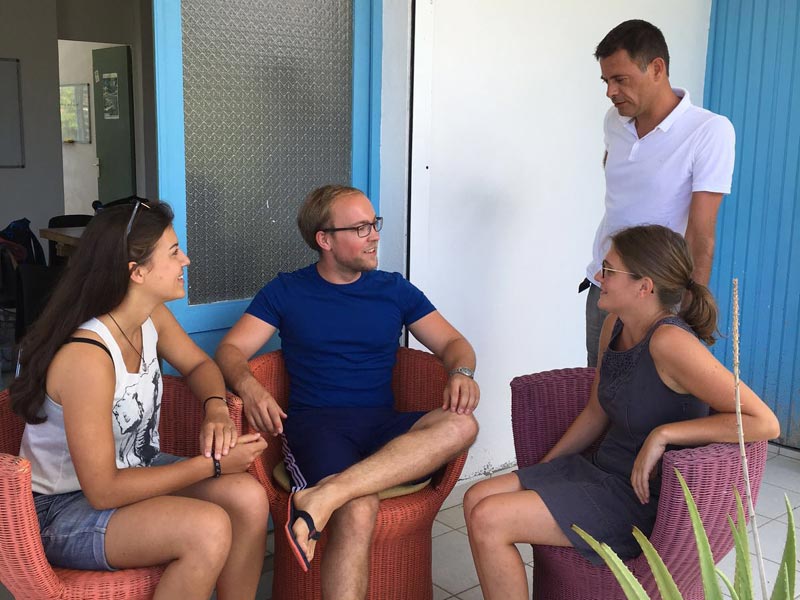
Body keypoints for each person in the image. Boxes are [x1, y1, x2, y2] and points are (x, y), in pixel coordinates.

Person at [465, 224, 779, 600]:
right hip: (602, 469)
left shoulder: (670, 343)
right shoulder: (616, 323)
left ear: (644, 287)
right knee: (474, 498)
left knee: (489, 519)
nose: (598, 277)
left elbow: (764, 422)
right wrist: (544, 471)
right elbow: (597, 410)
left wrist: (664, 435)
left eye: (609, 271)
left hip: (642, 499)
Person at [216, 184, 480, 599]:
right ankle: (334, 495)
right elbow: (231, 349)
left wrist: (461, 371)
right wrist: (248, 386)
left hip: (383, 425)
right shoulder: (286, 291)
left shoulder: (393, 288)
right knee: (359, 508)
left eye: (374, 224)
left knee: (462, 425)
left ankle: (324, 496)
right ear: (324, 240)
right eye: (360, 228)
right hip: (317, 429)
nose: (374, 235)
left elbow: (453, 345)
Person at [11, 200, 269, 600]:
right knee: (207, 527)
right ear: (137, 272)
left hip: (134, 469)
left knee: (248, 497)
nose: (185, 259)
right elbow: (104, 491)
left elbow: (200, 365)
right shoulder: (87, 358)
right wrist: (212, 465)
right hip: (61, 510)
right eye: (173, 252)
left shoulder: (149, 317)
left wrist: (215, 407)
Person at [582, 19, 736, 367]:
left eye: (620, 79)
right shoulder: (614, 121)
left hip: (658, 297)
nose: (611, 91)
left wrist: (688, 309)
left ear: (657, 68)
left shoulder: (709, 131)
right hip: (603, 284)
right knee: (599, 390)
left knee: (655, 398)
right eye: (606, 81)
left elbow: (700, 233)